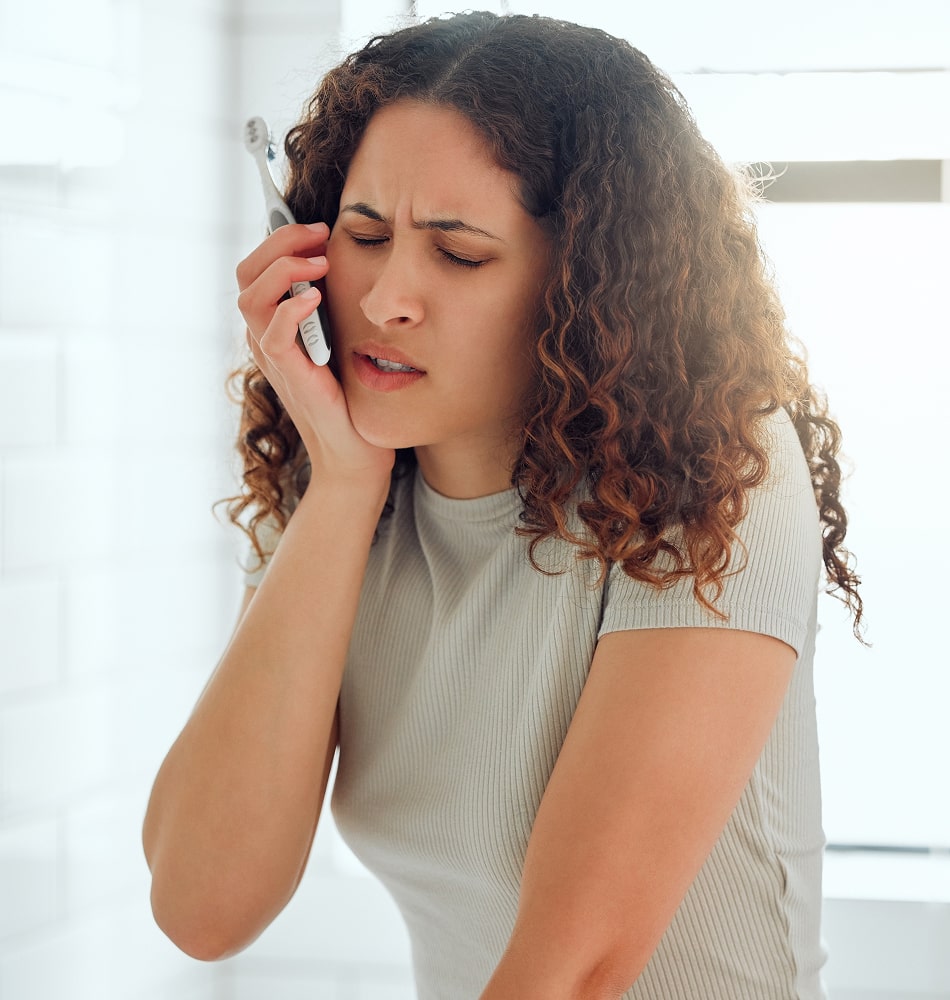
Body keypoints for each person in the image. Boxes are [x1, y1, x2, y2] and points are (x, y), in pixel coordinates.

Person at [143, 11, 864, 1000]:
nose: (388, 295)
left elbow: (573, 972)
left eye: (460, 254)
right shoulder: (341, 481)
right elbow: (201, 900)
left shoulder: (712, 471)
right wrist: (344, 488)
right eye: (363, 235)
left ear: (584, 285)